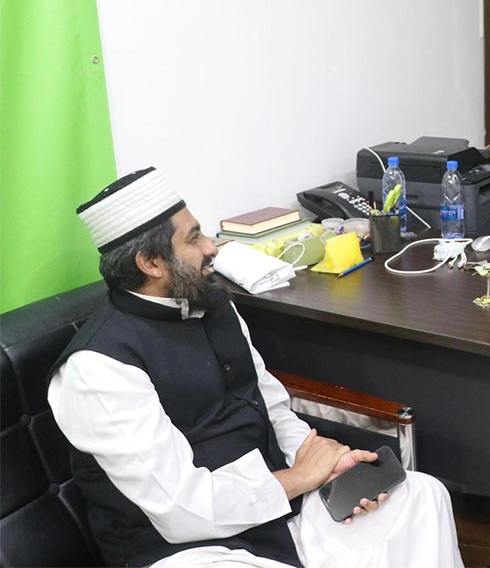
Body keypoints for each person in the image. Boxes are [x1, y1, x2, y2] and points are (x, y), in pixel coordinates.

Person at [48, 167, 463, 568]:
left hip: (276, 506)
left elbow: (271, 405)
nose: (211, 247)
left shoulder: (214, 304)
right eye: (194, 239)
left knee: (422, 496)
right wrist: (301, 477)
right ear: (151, 264)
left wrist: (324, 459)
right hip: (184, 550)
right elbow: (181, 511)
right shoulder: (97, 368)